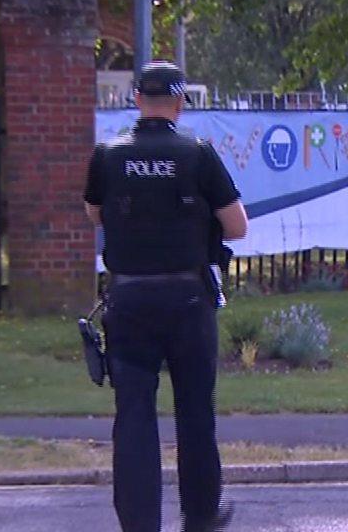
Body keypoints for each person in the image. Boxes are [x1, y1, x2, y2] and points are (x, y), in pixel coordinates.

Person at [83, 60, 247, 532]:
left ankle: (139, 523)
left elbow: (95, 214)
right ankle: (200, 515)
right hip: (188, 301)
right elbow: (236, 225)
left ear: (137, 100)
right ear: (179, 103)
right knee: (195, 412)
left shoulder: (107, 154)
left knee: (133, 416)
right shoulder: (198, 154)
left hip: (128, 301)